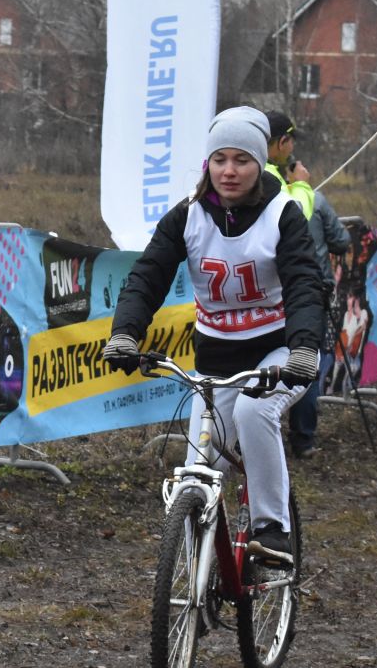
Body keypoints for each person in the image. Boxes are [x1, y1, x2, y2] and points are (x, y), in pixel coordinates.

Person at [100, 107, 326, 565]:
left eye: (241, 159)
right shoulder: (187, 215)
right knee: (200, 469)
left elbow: (305, 283)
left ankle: (271, 530)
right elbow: (147, 277)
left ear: (260, 163)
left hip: (281, 351)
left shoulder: (282, 215)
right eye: (219, 158)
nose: (229, 170)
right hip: (217, 358)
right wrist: (125, 333)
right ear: (207, 164)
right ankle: (193, 582)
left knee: (252, 411)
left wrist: (304, 347)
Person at [264, 110, 350, 457]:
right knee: (306, 360)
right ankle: (302, 438)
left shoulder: (250, 177)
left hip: (267, 294)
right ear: (283, 142)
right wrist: (301, 183)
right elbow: (294, 216)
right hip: (296, 292)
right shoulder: (275, 183)